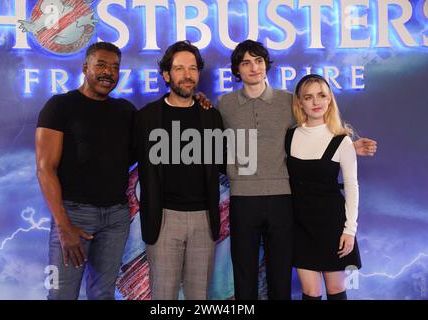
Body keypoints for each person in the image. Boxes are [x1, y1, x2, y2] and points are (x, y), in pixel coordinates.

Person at [217, 40, 376, 300]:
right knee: (244, 274)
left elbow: (318, 125)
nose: (254, 68)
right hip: (243, 198)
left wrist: (348, 145)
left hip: (283, 200)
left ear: (266, 65)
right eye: (246, 63)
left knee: (279, 275)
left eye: (258, 61)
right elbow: (211, 139)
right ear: (237, 70)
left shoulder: (287, 102)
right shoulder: (223, 104)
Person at [35, 42, 136, 300]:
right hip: (73, 215)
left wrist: (196, 100)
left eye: (115, 67)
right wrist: (63, 224)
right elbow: (45, 168)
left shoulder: (125, 111)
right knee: (61, 295)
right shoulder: (60, 106)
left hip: (116, 218)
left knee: (103, 294)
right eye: (101, 64)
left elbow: (161, 126)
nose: (108, 72)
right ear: (85, 68)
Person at [133, 41, 225, 300]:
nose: (188, 75)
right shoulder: (146, 118)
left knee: (199, 296)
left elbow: (223, 162)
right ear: (166, 75)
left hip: (204, 219)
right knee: (163, 295)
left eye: (193, 69)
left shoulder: (211, 116)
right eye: (180, 68)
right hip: (163, 219)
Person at [285, 74, 361, 300]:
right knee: (310, 292)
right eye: (308, 97)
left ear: (329, 100)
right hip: (299, 226)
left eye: (321, 96)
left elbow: (352, 187)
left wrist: (350, 230)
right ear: (299, 103)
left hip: (332, 227)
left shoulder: (342, 140)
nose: (316, 102)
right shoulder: (289, 136)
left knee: (335, 290)